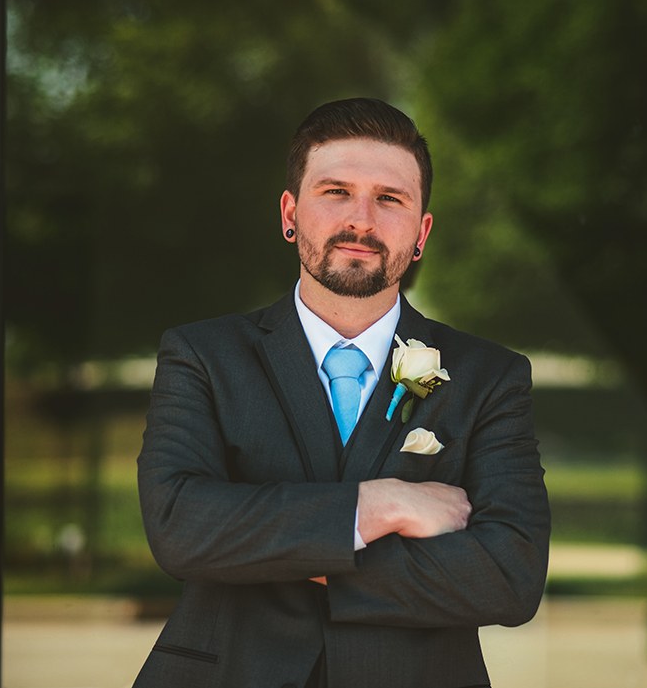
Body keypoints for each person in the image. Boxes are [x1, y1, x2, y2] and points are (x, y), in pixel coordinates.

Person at [134, 98, 550, 688]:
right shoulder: (202, 355)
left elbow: (511, 576)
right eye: (335, 192)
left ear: (422, 231)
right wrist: (381, 506)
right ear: (290, 213)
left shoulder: (491, 377)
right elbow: (181, 527)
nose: (362, 220)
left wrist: (279, 544)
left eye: (390, 198)